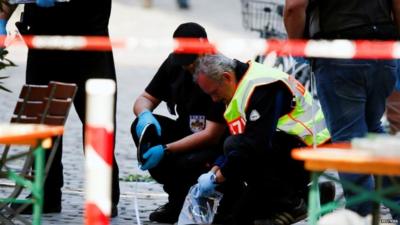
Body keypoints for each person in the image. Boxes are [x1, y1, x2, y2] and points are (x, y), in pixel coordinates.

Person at [0, 0, 120, 217]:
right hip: (44, 42)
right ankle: (45, 194)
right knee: (43, 120)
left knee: (97, 120)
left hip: (88, 41)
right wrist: (2, 18)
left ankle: (104, 195)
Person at [284, 0, 400, 219]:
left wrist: (298, 47)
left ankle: (364, 216)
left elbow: (294, 7)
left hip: (339, 54)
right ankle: (396, 205)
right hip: (383, 52)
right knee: (373, 130)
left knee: (350, 140)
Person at [192, 53, 331, 225]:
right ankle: (314, 196)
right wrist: (214, 170)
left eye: (214, 92)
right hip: (287, 150)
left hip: (313, 152)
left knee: (237, 149)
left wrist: (219, 176)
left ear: (226, 77)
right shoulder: (239, 86)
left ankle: (292, 204)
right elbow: (238, 137)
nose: (214, 99)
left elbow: (254, 145)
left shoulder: (262, 87)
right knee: (239, 217)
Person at [131, 22, 239, 224]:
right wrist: (145, 115)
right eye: (184, 60)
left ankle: (205, 200)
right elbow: (145, 98)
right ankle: (176, 200)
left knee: (188, 161)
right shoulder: (175, 63)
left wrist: (166, 149)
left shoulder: (220, 70)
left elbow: (211, 134)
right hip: (184, 131)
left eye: (192, 60)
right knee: (142, 129)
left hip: (213, 145)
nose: (188, 66)